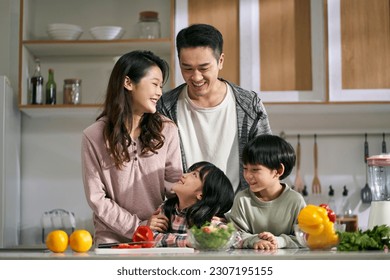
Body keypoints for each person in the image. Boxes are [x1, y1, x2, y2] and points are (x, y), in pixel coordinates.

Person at [81, 50, 183, 245]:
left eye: (161, 86)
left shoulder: (167, 130)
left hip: (156, 239)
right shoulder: (93, 136)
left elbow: (174, 187)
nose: (159, 92)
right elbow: (97, 199)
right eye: (154, 84)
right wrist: (138, 226)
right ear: (128, 83)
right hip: (111, 242)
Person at [157, 23, 272, 194]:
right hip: (185, 212)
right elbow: (157, 168)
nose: (196, 77)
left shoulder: (249, 104)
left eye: (204, 68)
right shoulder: (165, 106)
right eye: (187, 68)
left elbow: (266, 163)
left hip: (239, 213)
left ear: (220, 61)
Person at [228, 134, 306, 250]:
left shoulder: (295, 201)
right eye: (245, 168)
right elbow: (234, 236)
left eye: (255, 169)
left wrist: (280, 241)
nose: (247, 175)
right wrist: (254, 240)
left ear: (278, 171)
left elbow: (305, 237)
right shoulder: (242, 199)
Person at [153, 161, 235, 247]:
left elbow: (231, 238)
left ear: (201, 195)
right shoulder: (165, 208)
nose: (184, 175)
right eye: (189, 172)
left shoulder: (208, 220)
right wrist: (190, 241)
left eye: (194, 175)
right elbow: (150, 237)